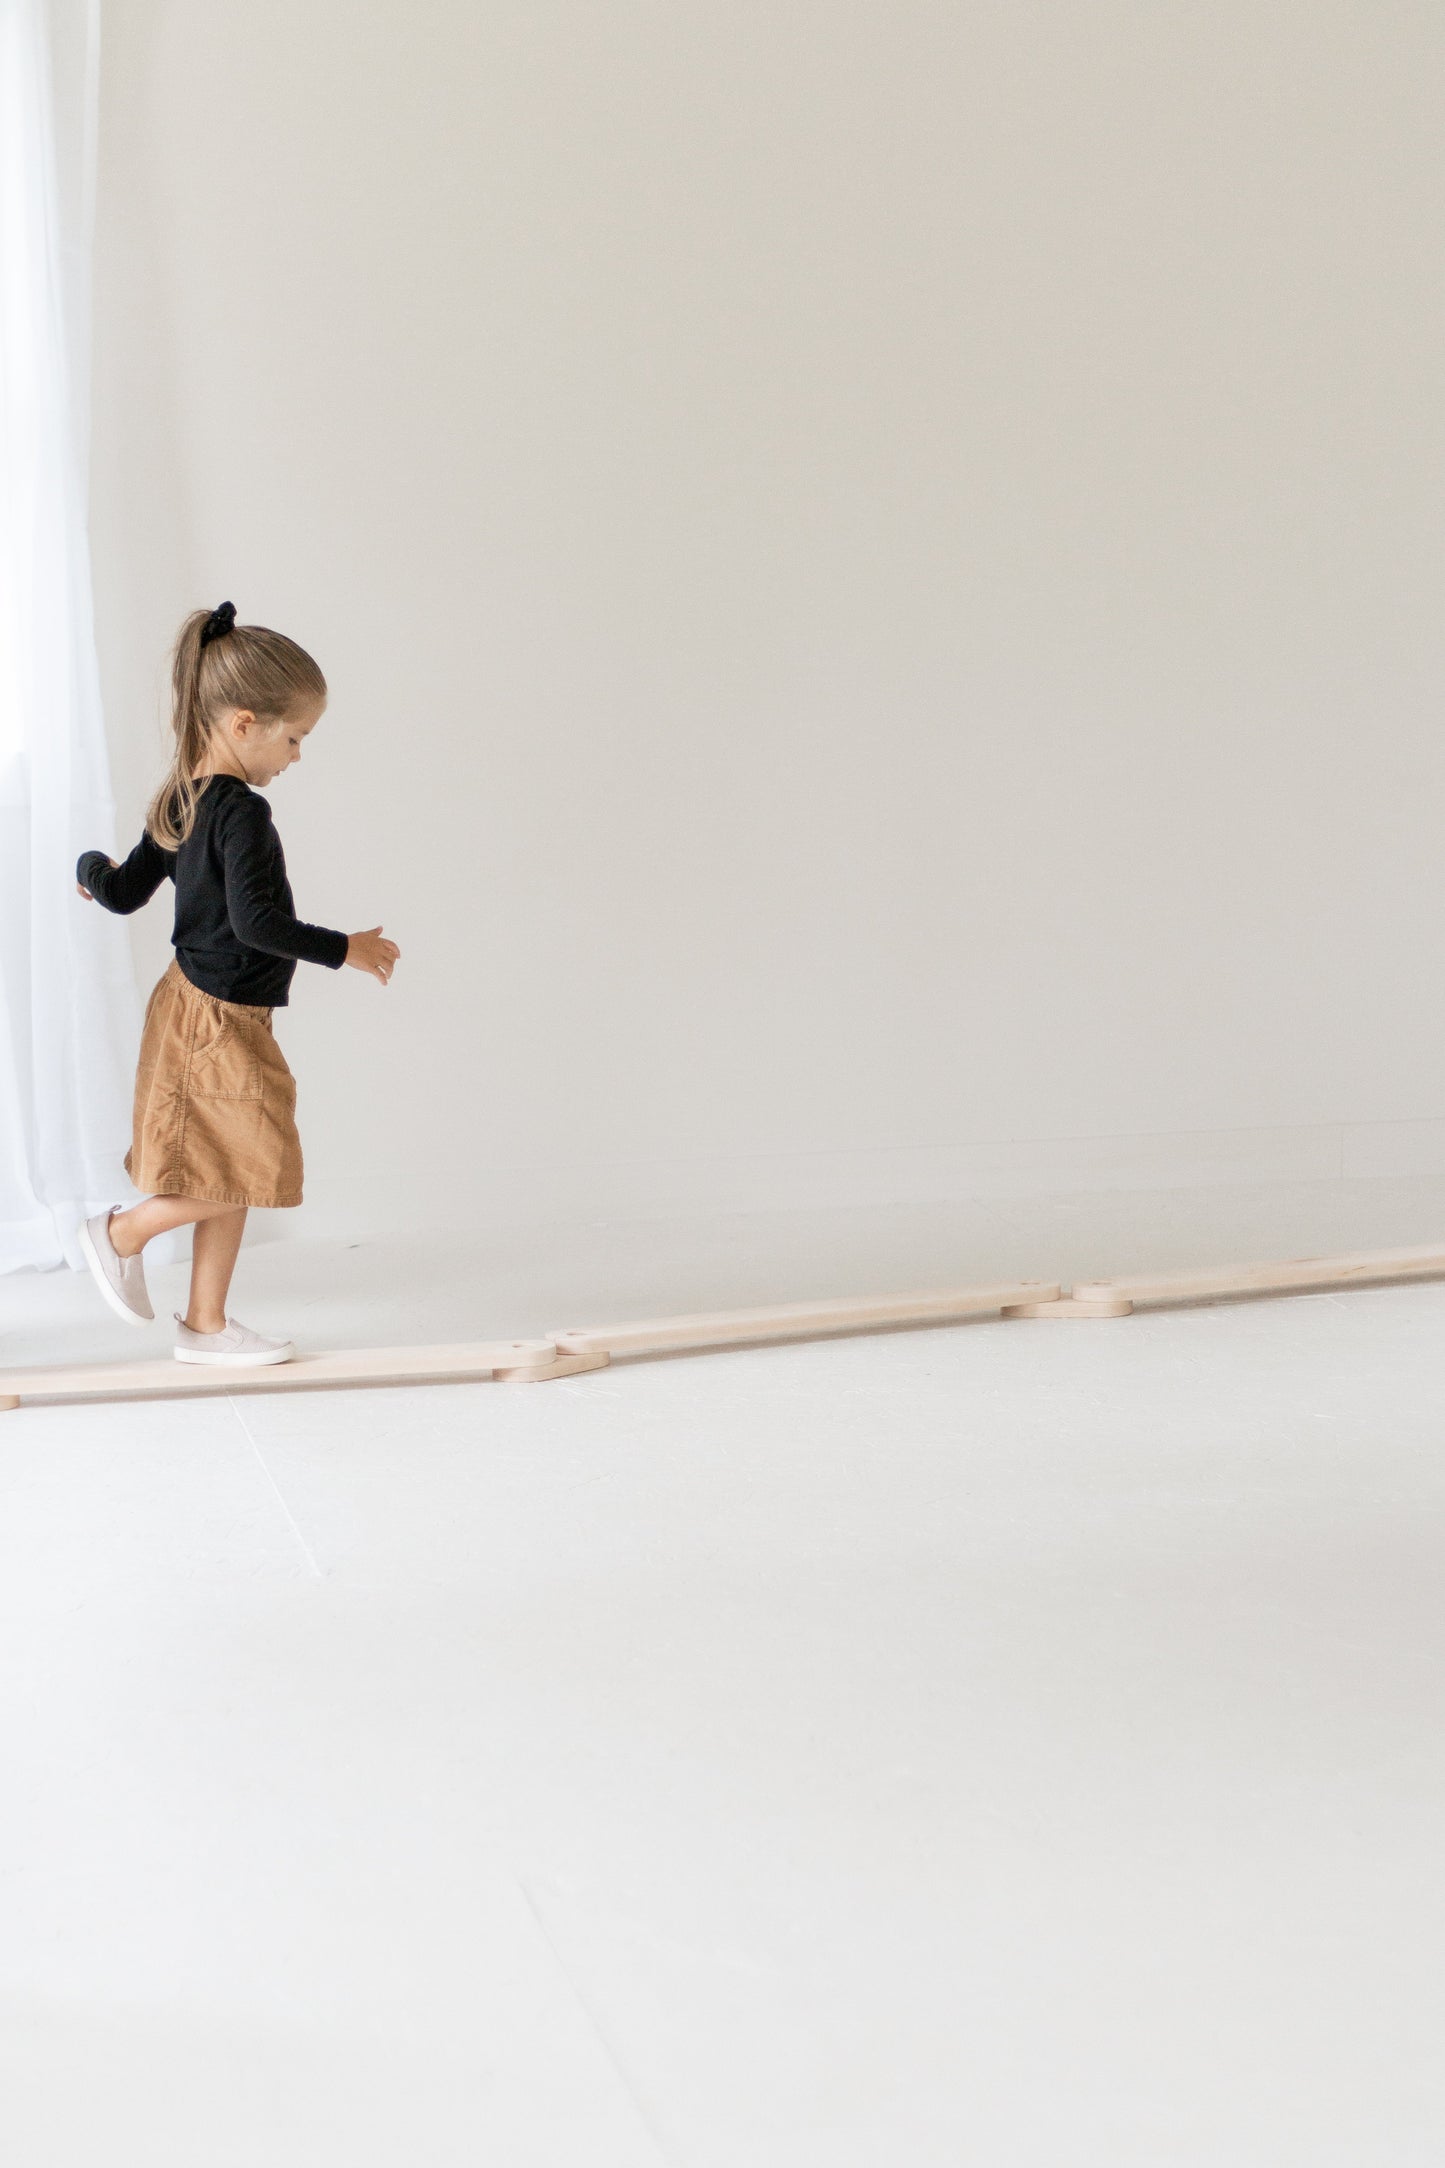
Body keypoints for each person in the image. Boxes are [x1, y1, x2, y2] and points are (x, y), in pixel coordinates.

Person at [73, 600, 400, 1367]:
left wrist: (87, 869)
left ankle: (207, 1325)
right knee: (252, 1167)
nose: (296, 756)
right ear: (244, 723)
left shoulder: (181, 797)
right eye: (295, 738)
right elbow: (256, 923)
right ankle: (121, 1232)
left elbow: (122, 892)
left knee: (234, 1164)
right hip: (212, 1016)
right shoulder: (242, 813)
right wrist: (343, 947)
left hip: (211, 1007)